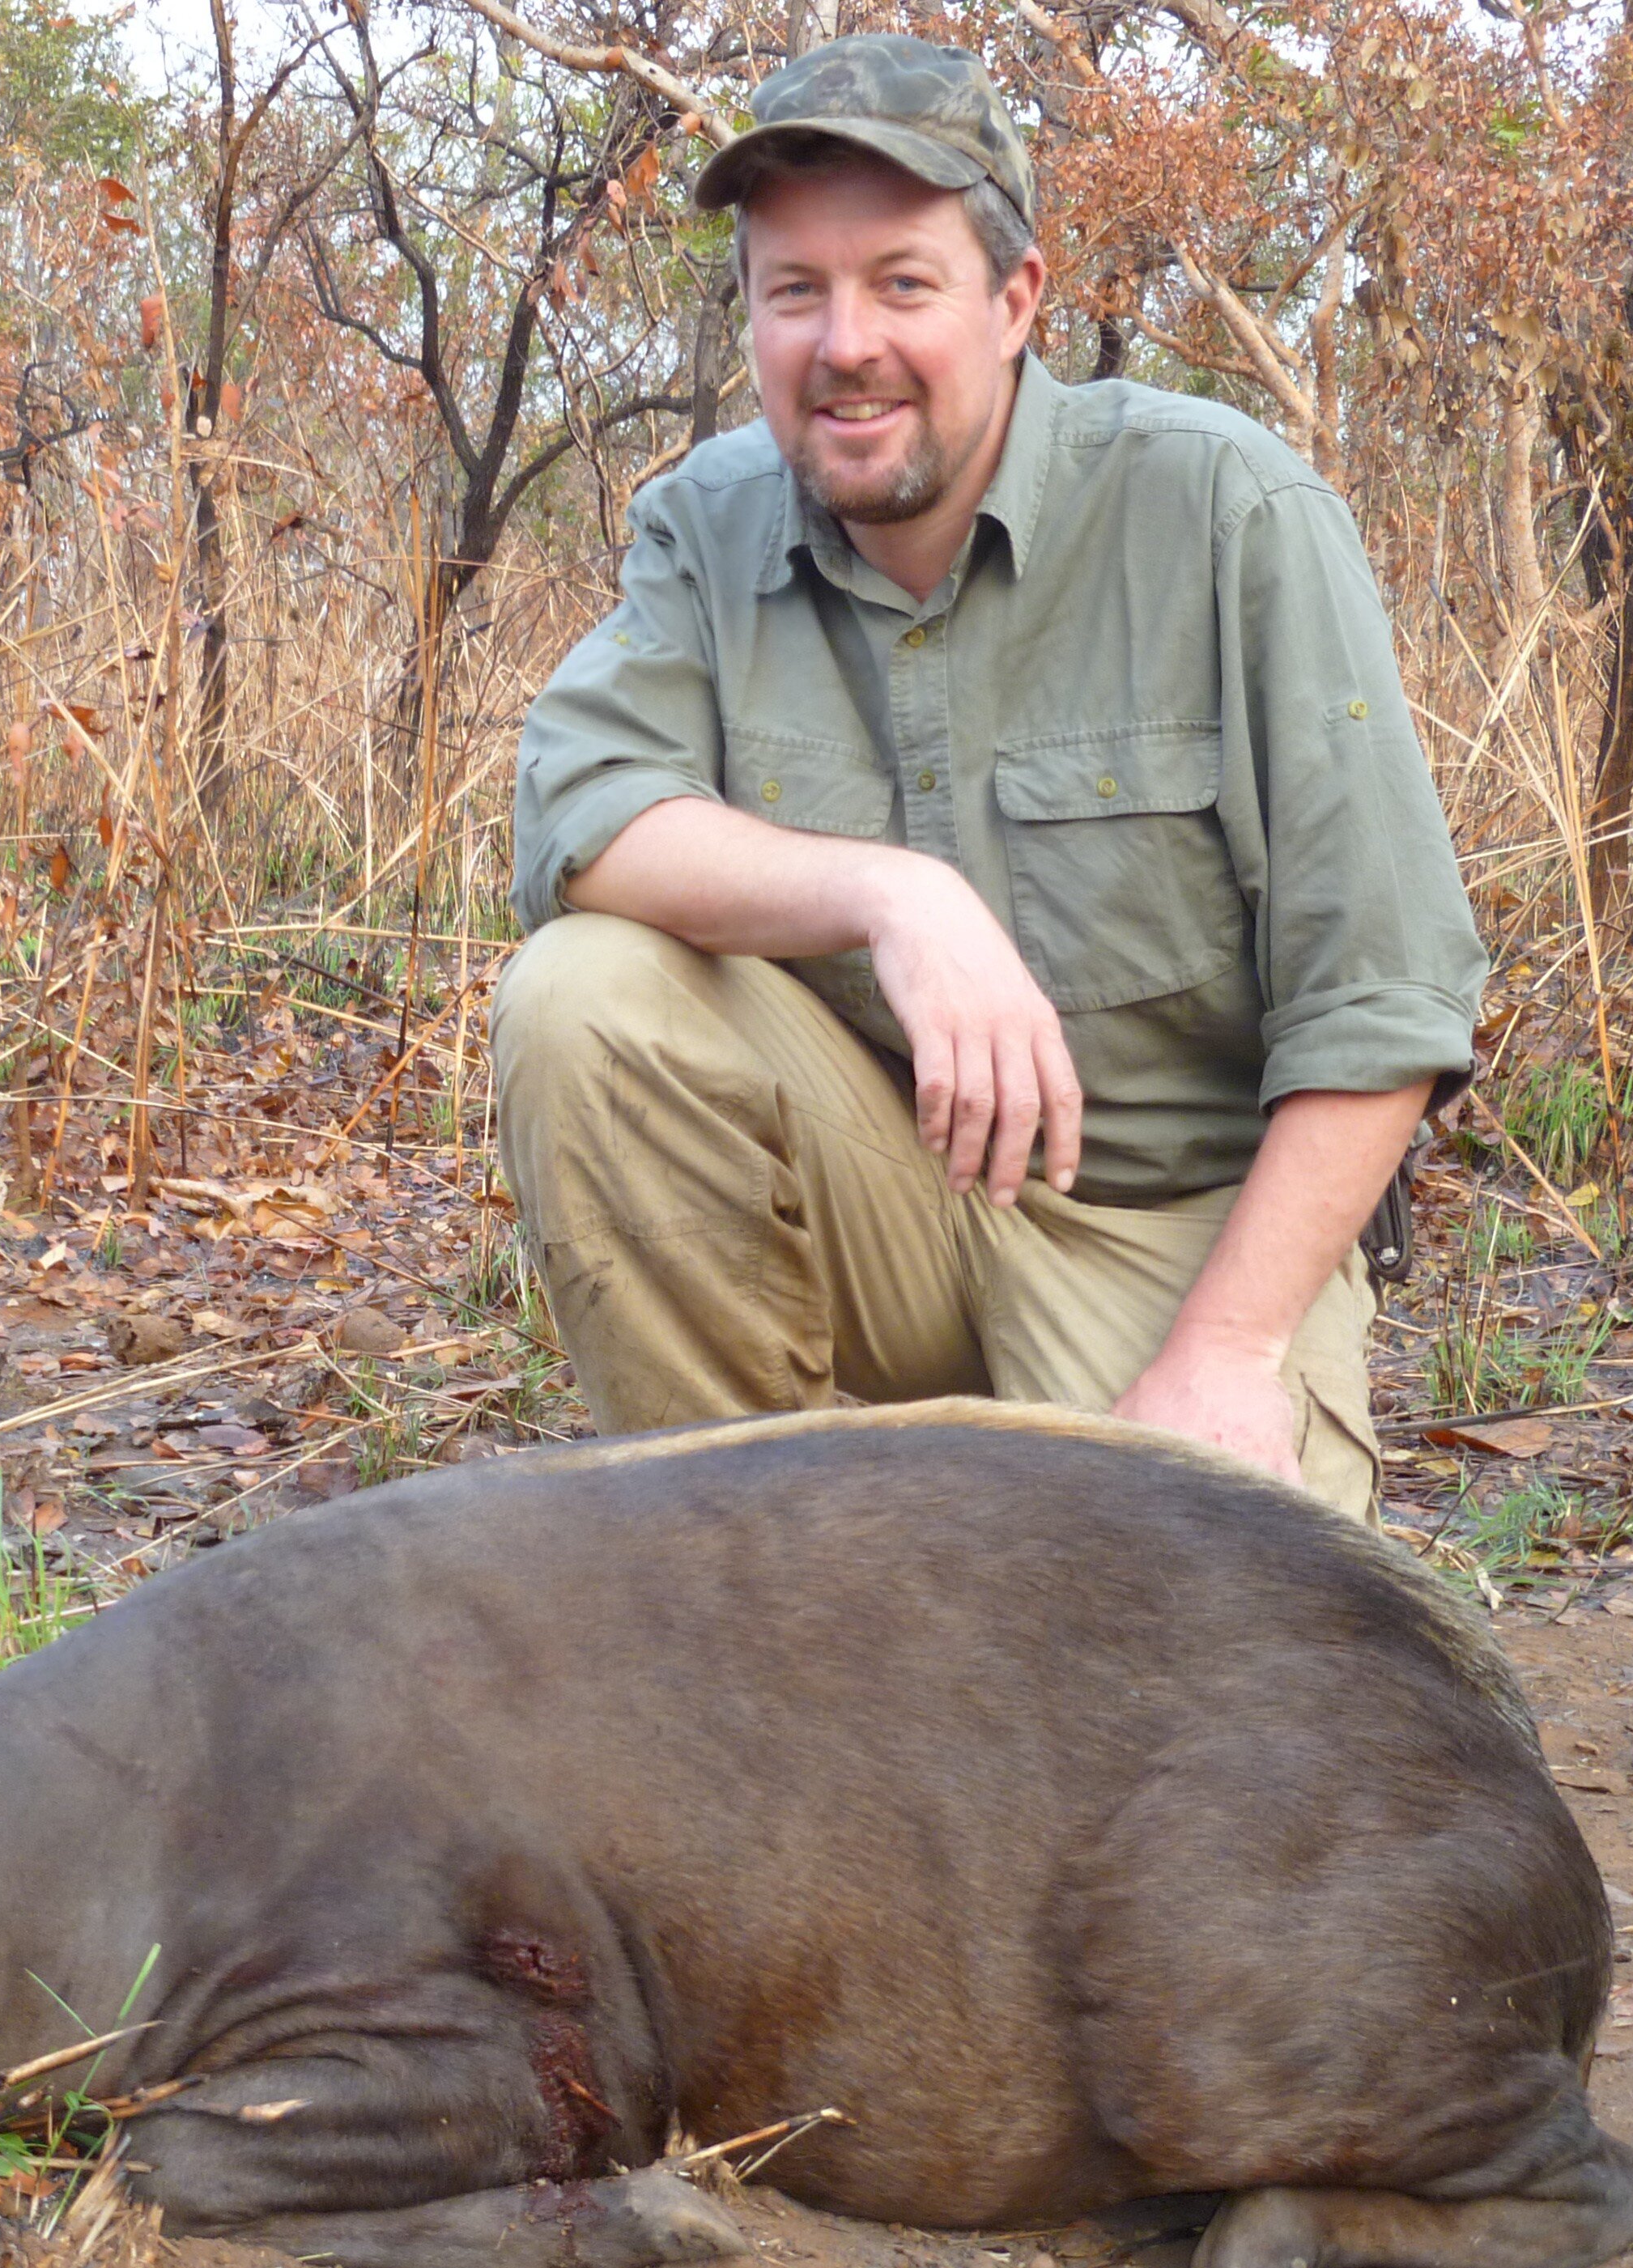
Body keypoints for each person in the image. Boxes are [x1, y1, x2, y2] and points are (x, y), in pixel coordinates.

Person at [496, 32, 1485, 1518]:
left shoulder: (1226, 509)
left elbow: (1386, 1001)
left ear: (1016, 301)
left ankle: (1161, 1449)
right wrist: (898, 899)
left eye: (902, 282)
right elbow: (584, 818)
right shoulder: (704, 523)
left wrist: (1225, 1352)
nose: (845, 345)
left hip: (1173, 1235)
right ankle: (764, 1571)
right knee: (584, 997)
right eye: (794, 292)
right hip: (882, 1202)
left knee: (1199, 1697)